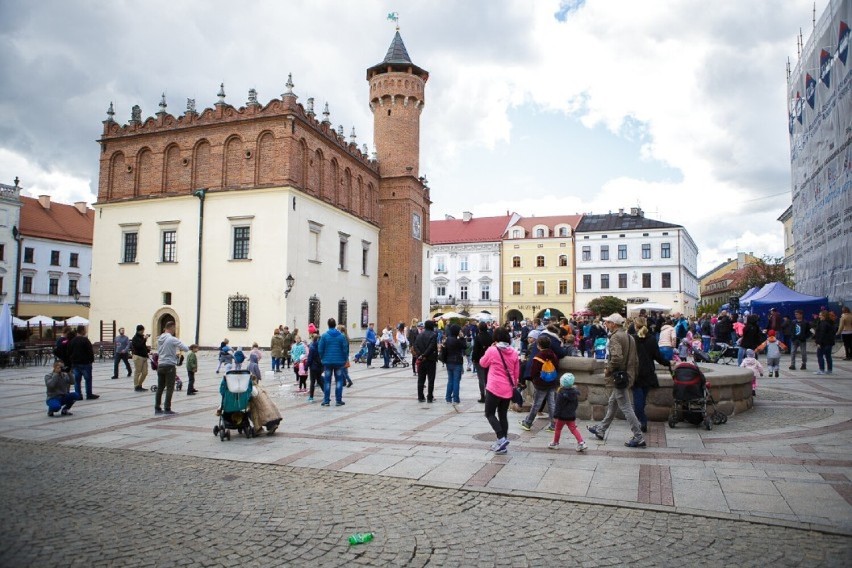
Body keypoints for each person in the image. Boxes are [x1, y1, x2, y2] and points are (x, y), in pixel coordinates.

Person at [587, 313, 646, 448]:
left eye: (607, 322)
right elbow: (635, 359)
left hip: (619, 377)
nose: (605, 325)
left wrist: (608, 369)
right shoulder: (629, 337)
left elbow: (617, 358)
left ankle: (638, 436)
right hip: (627, 375)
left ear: (613, 324)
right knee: (613, 402)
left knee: (626, 406)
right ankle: (601, 429)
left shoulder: (615, 337)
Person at [478, 327, 520, 455]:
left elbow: (482, 363)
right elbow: (516, 372)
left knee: (489, 413)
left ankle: (501, 438)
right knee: (502, 414)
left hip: (494, 387)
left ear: (495, 338)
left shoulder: (492, 350)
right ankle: (503, 442)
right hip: (507, 388)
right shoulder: (513, 352)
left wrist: (490, 349)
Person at [632, 316, 669, 433]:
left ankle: (642, 421)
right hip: (648, 373)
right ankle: (641, 420)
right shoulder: (652, 339)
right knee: (641, 400)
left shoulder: (633, 339)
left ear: (635, 326)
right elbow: (658, 356)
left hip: (636, 374)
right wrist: (668, 363)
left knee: (638, 400)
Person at [518, 334, 559, 433]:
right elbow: (557, 367)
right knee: (552, 403)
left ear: (539, 346)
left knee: (536, 404)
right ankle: (554, 425)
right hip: (552, 382)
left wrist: (535, 380)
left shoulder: (538, 357)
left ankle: (528, 422)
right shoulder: (553, 355)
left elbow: (533, 372)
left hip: (541, 383)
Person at [155, 321, 189, 415]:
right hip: (169, 365)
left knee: (160, 387)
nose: (175, 330)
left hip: (160, 364)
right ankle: (167, 408)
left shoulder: (159, 338)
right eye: (174, 328)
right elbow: (185, 348)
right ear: (171, 327)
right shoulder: (172, 339)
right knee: (170, 387)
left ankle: (157, 407)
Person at [548, 373, 587, 451]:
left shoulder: (561, 393)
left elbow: (558, 406)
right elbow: (575, 404)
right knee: (573, 429)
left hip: (561, 416)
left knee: (558, 429)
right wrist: (572, 411)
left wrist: (555, 416)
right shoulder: (574, 393)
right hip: (571, 415)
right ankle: (581, 443)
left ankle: (555, 443)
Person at [318, 318, 349, 407]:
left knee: (327, 381)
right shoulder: (341, 336)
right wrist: (345, 358)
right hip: (339, 362)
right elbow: (345, 349)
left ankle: (326, 400)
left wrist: (322, 357)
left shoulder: (324, 336)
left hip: (327, 362)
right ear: (335, 325)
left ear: (328, 325)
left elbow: (320, 349)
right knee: (339, 380)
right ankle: (338, 400)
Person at [68, 325, 98, 400]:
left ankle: (78, 395)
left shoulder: (72, 341)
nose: (85, 331)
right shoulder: (85, 340)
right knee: (88, 379)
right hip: (85, 363)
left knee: (77, 381)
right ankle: (89, 394)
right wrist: (91, 360)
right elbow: (90, 351)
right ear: (82, 331)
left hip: (75, 363)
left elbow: (69, 352)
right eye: (85, 330)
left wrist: (71, 361)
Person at [413, 320, 439, 402]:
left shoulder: (419, 335)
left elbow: (415, 345)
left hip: (421, 360)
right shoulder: (433, 335)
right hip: (430, 359)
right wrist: (425, 355)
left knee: (421, 378)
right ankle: (430, 396)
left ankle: (420, 396)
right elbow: (431, 347)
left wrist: (420, 355)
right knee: (431, 379)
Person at [442, 323, 467, 404]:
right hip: (457, 363)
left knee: (450, 380)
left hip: (449, 362)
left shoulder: (447, 340)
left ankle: (448, 398)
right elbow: (465, 346)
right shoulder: (458, 341)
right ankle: (456, 399)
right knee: (456, 381)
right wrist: (462, 337)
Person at [472, 322, 492, 403]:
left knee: (481, 379)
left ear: (479, 328)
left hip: (479, 360)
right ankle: (489, 395)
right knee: (488, 378)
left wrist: (474, 359)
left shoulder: (478, 337)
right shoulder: (490, 336)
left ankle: (482, 396)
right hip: (489, 359)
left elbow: (475, 350)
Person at [813, 309, 837, 375]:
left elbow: (822, 333)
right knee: (828, 356)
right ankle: (829, 370)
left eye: (820, 315)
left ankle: (822, 369)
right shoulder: (830, 323)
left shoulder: (823, 323)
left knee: (820, 355)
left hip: (823, 343)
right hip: (829, 342)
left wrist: (818, 342)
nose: (819, 316)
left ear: (824, 316)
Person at [131, 325, 150, 392]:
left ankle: (140, 384)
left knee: (145, 372)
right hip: (138, 357)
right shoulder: (135, 338)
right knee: (137, 372)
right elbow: (139, 346)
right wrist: (145, 339)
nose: (143, 332)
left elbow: (143, 346)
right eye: (142, 330)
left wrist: (148, 351)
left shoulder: (142, 337)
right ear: (140, 330)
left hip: (144, 356)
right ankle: (136, 386)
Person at [306, 333, 324, 403]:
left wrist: (306, 367)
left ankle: (311, 397)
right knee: (319, 381)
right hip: (320, 367)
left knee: (312, 382)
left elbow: (310, 359)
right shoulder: (321, 347)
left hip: (313, 368)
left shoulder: (312, 347)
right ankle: (326, 394)